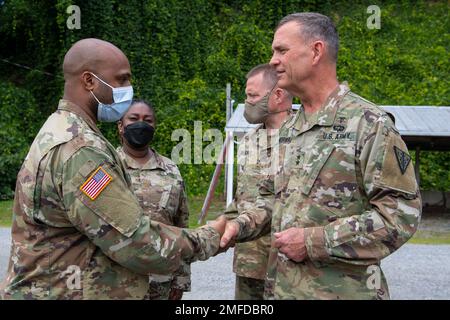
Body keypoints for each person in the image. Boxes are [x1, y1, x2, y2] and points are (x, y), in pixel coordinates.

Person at [0, 38, 225, 300]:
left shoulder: (59, 129)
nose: (128, 89)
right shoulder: (81, 151)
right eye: (121, 80)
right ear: (89, 81)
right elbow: (135, 242)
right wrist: (208, 238)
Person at [220, 13, 421, 299]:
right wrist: (235, 226)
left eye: (282, 50)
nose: (273, 60)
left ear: (316, 51)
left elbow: (400, 215)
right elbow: (271, 201)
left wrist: (315, 240)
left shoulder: (368, 123)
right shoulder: (290, 128)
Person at [226, 64, 292, 299]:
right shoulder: (248, 142)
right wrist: (225, 223)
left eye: (253, 95)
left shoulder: (304, 139)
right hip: (249, 260)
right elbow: (242, 197)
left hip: (288, 265)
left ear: (278, 94)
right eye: (247, 95)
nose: (248, 102)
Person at [116, 99, 190, 300]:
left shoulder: (171, 170)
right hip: (115, 281)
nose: (141, 124)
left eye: (147, 120)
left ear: (154, 126)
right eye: (134, 119)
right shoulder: (107, 167)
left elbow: (181, 227)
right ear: (121, 126)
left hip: (161, 280)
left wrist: (181, 279)